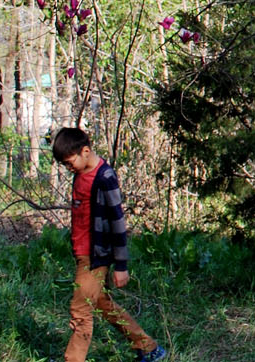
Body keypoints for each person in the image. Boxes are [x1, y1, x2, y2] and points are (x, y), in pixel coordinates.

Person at [50, 126, 166, 362]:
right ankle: (148, 347)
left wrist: (121, 266)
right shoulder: (79, 174)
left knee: (80, 311)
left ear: (85, 151)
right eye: (64, 164)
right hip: (82, 254)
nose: (68, 167)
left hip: (95, 257)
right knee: (103, 304)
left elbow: (118, 223)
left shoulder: (105, 177)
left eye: (69, 162)